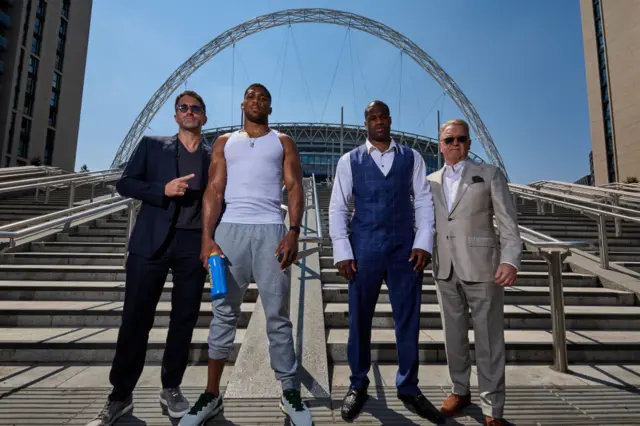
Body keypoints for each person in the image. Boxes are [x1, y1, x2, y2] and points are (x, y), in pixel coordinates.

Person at [178, 83, 313, 426]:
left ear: (270, 107)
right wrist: (207, 238)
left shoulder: (282, 141)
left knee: (278, 316)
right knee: (223, 313)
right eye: (251, 96)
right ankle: (211, 395)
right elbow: (214, 190)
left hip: (271, 229)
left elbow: (296, 187)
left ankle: (289, 392)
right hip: (230, 232)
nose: (256, 101)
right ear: (242, 103)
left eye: (263, 98)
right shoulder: (225, 142)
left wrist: (293, 231)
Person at [86, 91, 212, 426]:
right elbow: (124, 183)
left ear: (204, 117)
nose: (189, 111)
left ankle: (171, 387)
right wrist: (162, 190)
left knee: (183, 321)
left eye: (195, 108)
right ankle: (120, 396)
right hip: (150, 243)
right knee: (135, 320)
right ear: (175, 116)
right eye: (182, 107)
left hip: (192, 244)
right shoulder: (152, 145)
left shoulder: (214, 157)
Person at [328, 100, 446, 424]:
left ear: (390, 120)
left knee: (407, 318)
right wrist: (342, 250)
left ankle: (408, 387)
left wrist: (424, 242)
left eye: (382, 117)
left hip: (404, 248)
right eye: (371, 117)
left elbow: (423, 201)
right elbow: (338, 206)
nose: (378, 122)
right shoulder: (349, 161)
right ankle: (357, 384)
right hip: (363, 246)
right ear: (365, 122)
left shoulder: (412, 157)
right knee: (359, 320)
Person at [427, 118, 521, 426]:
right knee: (453, 336)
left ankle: (493, 407)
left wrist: (510, 259)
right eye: (449, 139)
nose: (455, 144)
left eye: (461, 139)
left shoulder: (489, 174)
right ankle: (459, 390)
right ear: (440, 146)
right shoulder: (430, 181)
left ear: (469, 143)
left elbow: (508, 222)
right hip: (444, 268)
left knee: (489, 338)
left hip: (483, 267)